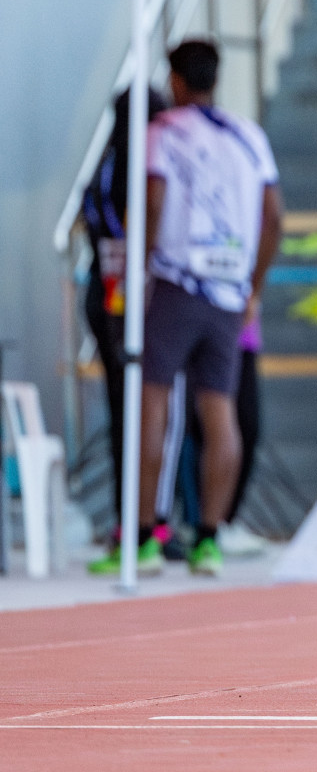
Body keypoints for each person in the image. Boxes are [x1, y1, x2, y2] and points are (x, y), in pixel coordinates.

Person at [90, 40, 284, 577]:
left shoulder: (162, 131)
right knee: (217, 410)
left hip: (175, 282)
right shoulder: (249, 135)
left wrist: (138, 273)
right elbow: (275, 217)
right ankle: (208, 540)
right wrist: (253, 285)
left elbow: (153, 203)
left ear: (175, 80)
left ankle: (144, 538)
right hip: (228, 289)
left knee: (152, 404)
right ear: (216, 78)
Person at [80, 85, 166, 540]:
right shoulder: (114, 168)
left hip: (147, 300)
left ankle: (152, 518)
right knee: (127, 407)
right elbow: (100, 223)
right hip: (116, 303)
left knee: (150, 409)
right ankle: (131, 522)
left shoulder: (150, 164)